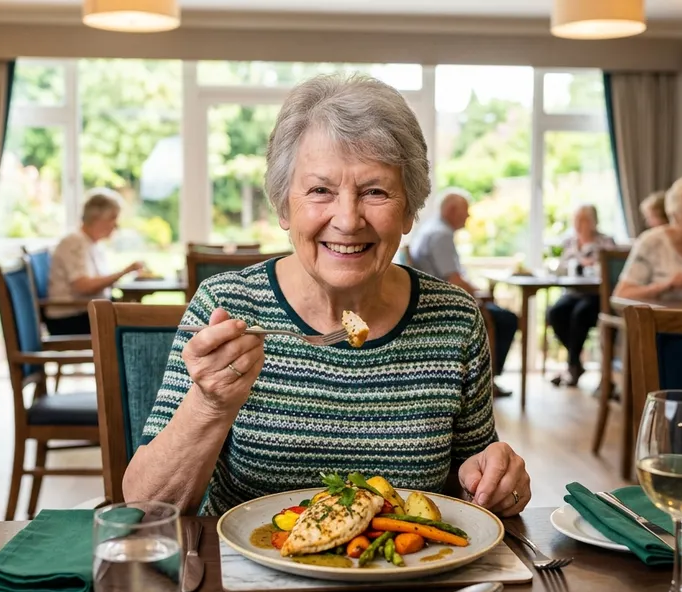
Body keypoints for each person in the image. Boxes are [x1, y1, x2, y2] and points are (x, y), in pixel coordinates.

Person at [125, 74, 530, 518]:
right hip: (248, 579)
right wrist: (209, 404)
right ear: (283, 205)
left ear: (410, 210)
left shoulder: (454, 318)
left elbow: (468, 479)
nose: (348, 219)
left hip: (405, 579)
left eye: (375, 191)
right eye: (321, 190)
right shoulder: (227, 308)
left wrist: (494, 479)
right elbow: (146, 508)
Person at [409, 189, 520, 397]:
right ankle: (488, 381)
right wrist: (481, 292)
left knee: (499, 315)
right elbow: (454, 280)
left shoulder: (432, 229)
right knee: (507, 320)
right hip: (440, 306)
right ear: (451, 210)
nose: (468, 217)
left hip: (433, 299)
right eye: (466, 211)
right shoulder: (441, 234)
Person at [46, 188, 144, 335]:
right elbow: (82, 286)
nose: (116, 225)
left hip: (87, 311)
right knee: (138, 323)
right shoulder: (74, 242)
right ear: (96, 217)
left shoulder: (92, 244)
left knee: (139, 315)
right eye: (113, 218)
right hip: (70, 318)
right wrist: (124, 272)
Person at [546, 204, 615, 387]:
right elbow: (560, 269)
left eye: (584, 220)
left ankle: (571, 366)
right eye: (577, 220)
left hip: (596, 296)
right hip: (573, 292)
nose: (580, 224)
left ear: (594, 222)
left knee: (580, 314)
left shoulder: (606, 241)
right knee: (555, 313)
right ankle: (575, 363)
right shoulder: (569, 242)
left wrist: (591, 265)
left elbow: (610, 270)